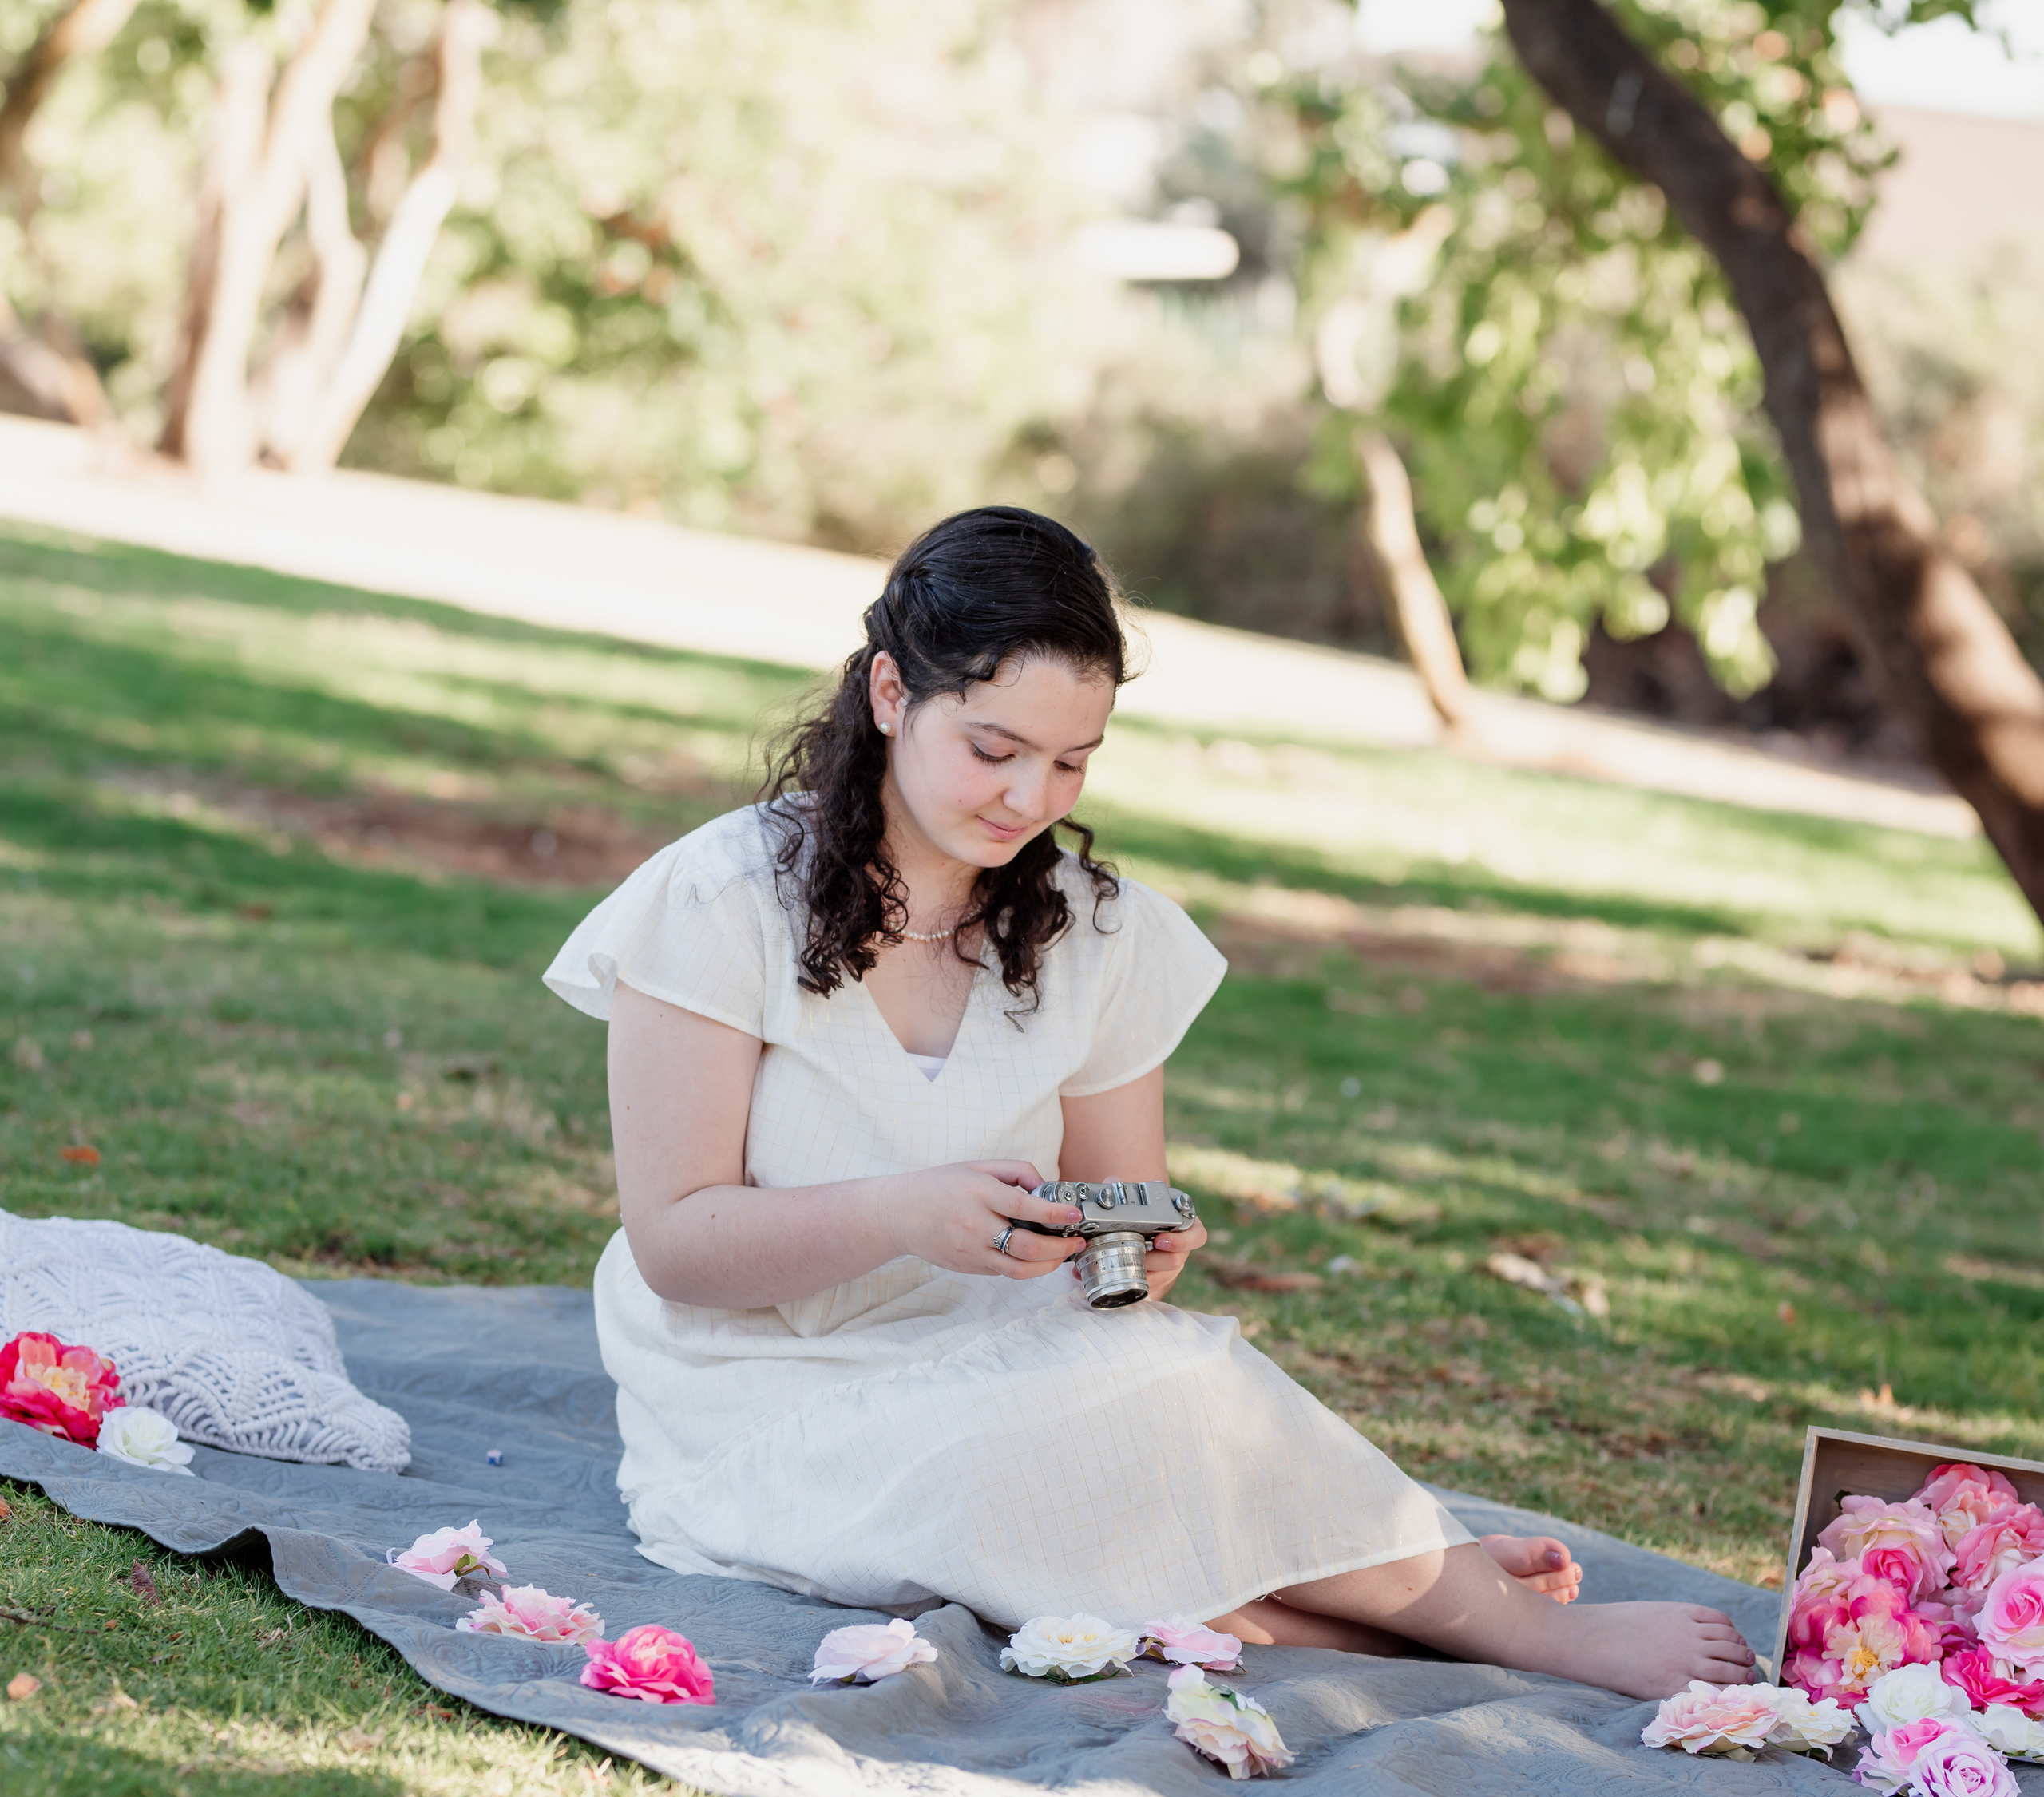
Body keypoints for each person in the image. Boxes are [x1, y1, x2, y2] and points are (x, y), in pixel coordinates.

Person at [544, 506, 1753, 1701]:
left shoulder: (1097, 929)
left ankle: (1395, 1589)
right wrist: (905, 1214)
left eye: (1071, 761)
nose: (1029, 798)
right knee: (1061, 1459)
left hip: (1004, 1359)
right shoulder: (716, 901)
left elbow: (1114, 1243)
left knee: (1161, 1377)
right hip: (762, 1404)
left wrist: (1136, 1249)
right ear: (888, 696)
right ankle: (1454, 1617)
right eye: (994, 747)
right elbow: (676, 1245)